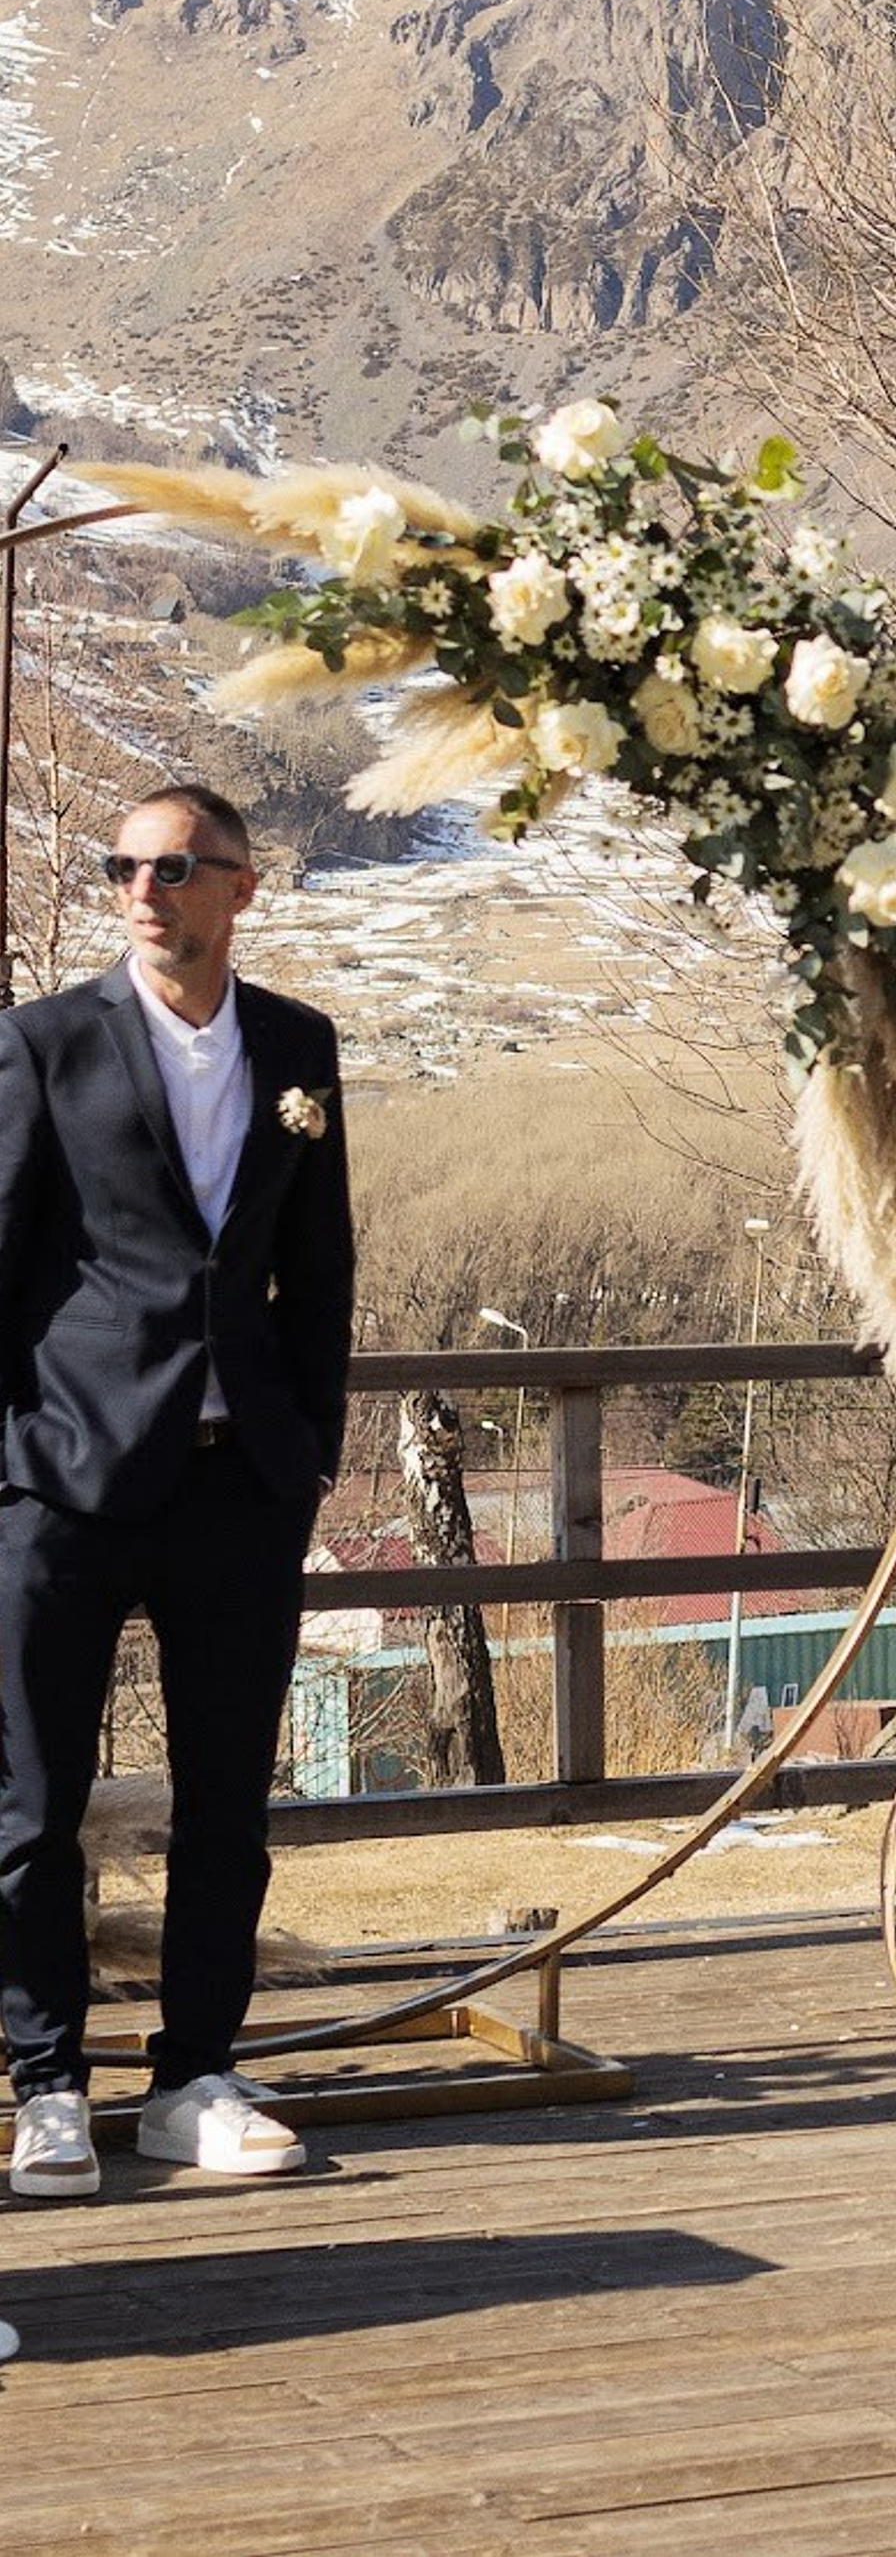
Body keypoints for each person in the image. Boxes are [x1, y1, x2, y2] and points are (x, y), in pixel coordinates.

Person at [0, 783, 352, 2191]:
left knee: (227, 1805)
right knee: (31, 1809)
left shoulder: (298, 1047)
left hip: (238, 1487)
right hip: (64, 1482)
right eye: (127, 867)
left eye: (179, 867)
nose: (147, 888)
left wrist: (306, 1450)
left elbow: (317, 1271)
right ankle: (45, 2087)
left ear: (239, 890)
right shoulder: (44, 1046)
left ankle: (196, 2076)